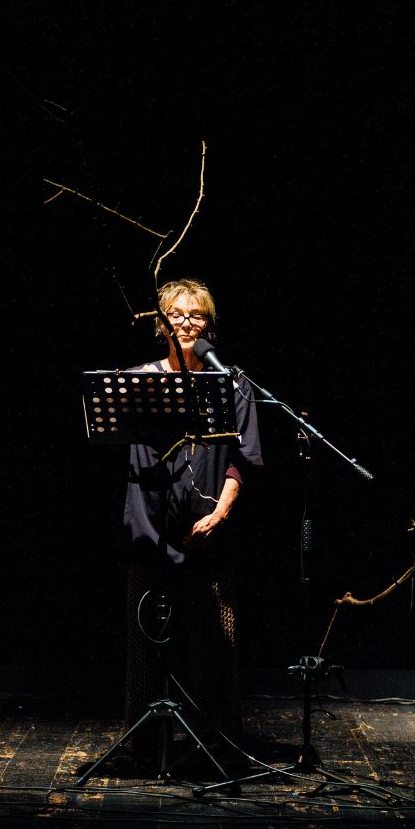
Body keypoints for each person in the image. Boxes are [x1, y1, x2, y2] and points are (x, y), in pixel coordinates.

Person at [120, 278, 262, 765]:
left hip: (207, 532)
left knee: (213, 647)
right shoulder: (137, 380)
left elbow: (243, 459)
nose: (185, 322)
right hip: (150, 531)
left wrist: (220, 513)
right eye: (176, 314)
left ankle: (216, 745)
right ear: (161, 323)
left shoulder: (231, 382)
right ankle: (145, 748)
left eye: (195, 315)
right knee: (146, 646)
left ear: (209, 324)